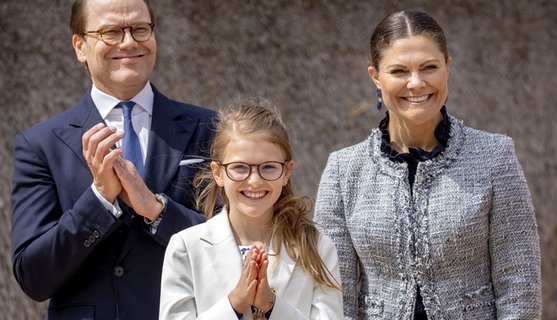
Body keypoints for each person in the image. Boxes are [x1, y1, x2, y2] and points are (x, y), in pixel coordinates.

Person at [313, 9, 542, 319]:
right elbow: (333, 295)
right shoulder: (343, 171)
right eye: (399, 71)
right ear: (375, 77)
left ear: (447, 68)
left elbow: (519, 286)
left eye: (429, 67)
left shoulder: (495, 156)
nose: (416, 83)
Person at [10, 0, 216, 319]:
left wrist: (158, 211)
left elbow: (239, 245)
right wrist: (99, 200)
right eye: (111, 32)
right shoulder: (40, 145)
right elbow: (33, 278)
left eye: (140, 28)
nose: (129, 41)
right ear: (80, 46)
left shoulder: (211, 129)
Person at [159, 98, 344, 320]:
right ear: (218, 172)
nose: (254, 181)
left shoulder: (317, 246)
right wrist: (235, 303)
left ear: (286, 172)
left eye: (268, 167)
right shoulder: (186, 248)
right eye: (239, 167)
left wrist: (272, 305)